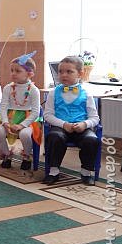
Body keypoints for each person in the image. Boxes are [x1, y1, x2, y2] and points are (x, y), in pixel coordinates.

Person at [43, 56, 100, 186]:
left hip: (81, 127)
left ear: (80, 74)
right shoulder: (53, 93)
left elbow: (95, 118)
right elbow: (48, 115)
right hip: (61, 126)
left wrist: (84, 124)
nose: (64, 75)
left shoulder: (86, 93)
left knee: (91, 140)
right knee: (54, 136)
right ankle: (53, 171)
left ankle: (86, 172)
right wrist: (64, 124)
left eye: (69, 72)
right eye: (61, 71)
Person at [0, 52, 42, 170]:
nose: (13, 73)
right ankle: (6, 154)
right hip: (10, 117)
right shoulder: (8, 88)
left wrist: (22, 125)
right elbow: (3, 106)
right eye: (12, 70)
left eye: (18, 71)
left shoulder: (34, 90)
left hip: (29, 119)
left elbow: (36, 112)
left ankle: (26, 156)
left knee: (25, 134)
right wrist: (5, 122)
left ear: (29, 74)